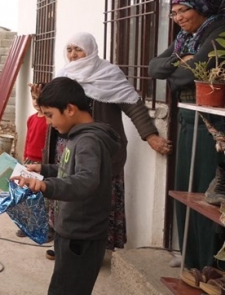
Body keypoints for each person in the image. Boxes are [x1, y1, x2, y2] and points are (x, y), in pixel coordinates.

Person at [44, 31, 171, 258]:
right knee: (69, 191)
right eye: (69, 50)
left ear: (90, 50)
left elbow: (133, 104)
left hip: (101, 149)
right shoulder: (63, 75)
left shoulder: (108, 74)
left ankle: (99, 247)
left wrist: (150, 136)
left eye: (78, 49)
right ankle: (64, 240)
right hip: (67, 146)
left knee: (101, 195)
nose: (73, 55)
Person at [12, 76, 120, 295]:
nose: (47, 121)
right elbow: (69, 169)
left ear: (70, 109)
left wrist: (45, 186)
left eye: (50, 115)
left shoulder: (89, 141)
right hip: (71, 231)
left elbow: (85, 181)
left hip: (81, 236)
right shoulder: (77, 137)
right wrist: (43, 169)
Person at [149, 0, 225, 269]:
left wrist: (179, 67)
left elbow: (180, 79)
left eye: (184, 10)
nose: (178, 17)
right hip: (186, 119)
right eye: (175, 11)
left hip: (210, 124)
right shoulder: (186, 39)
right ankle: (189, 253)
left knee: (203, 192)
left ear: (203, 6)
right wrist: (184, 61)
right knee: (184, 185)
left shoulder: (218, 32)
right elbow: (154, 67)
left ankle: (205, 261)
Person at [15, 82, 49, 239]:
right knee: (27, 195)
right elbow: (28, 139)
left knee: (43, 198)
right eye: (34, 98)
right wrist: (24, 157)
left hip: (43, 164)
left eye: (39, 98)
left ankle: (46, 228)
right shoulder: (31, 119)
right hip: (29, 162)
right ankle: (28, 225)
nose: (36, 102)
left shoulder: (50, 122)